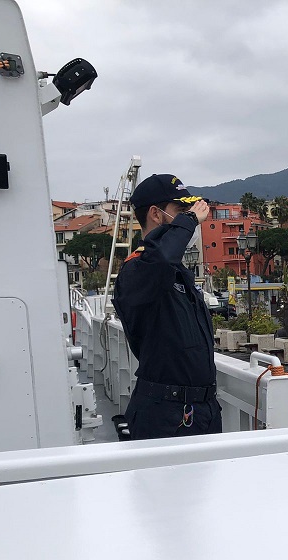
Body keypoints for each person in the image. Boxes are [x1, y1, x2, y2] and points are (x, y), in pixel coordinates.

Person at [113, 174, 222, 439]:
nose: (192, 217)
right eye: (181, 210)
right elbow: (159, 260)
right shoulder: (138, 270)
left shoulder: (176, 272)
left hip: (201, 411)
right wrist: (188, 222)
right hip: (165, 415)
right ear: (156, 214)